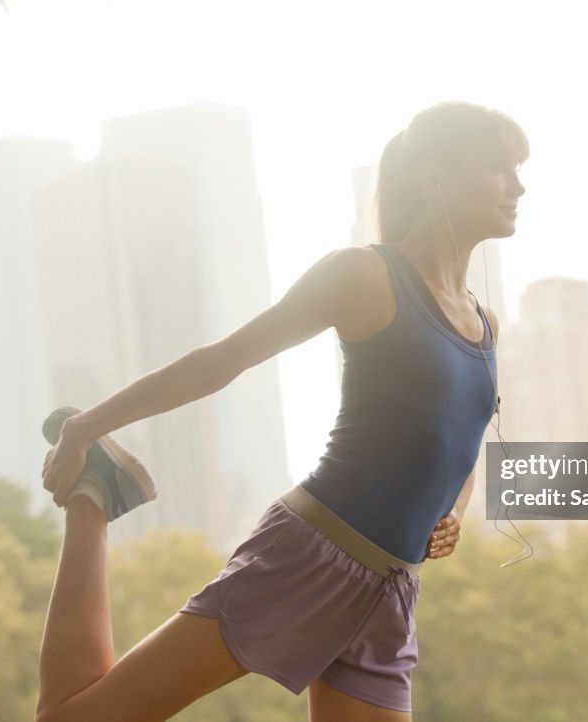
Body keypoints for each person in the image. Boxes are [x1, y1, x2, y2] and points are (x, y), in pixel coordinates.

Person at [36, 99, 528, 722]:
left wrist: (453, 513)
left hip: (391, 592)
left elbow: (458, 438)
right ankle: (92, 501)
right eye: (498, 167)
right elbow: (224, 360)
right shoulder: (365, 275)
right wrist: (86, 426)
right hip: (309, 558)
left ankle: (96, 491)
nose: (518, 186)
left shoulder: (483, 322)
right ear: (436, 174)